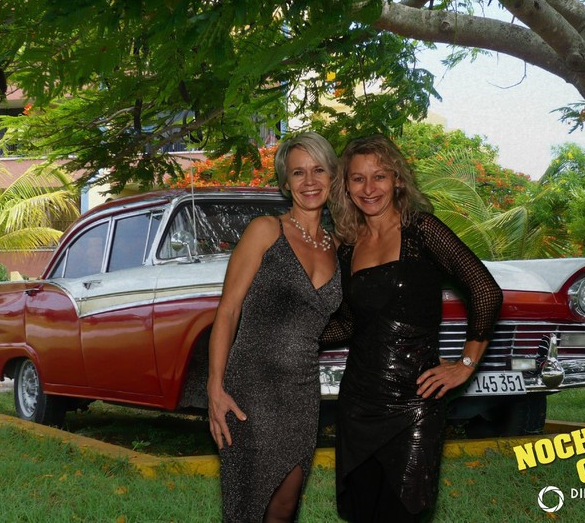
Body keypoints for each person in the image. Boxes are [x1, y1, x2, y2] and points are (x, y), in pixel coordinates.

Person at [324, 134, 503, 521]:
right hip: (358, 401)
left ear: (397, 180)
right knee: (362, 513)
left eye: (379, 176)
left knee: (406, 510)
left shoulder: (422, 230)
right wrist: (294, 337)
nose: (369, 189)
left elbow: (485, 291)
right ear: (345, 187)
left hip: (416, 400)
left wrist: (465, 365)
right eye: (358, 179)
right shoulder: (347, 247)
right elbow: (350, 324)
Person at [207, 132, 342, 522]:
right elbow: (228, 311)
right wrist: (215, 387)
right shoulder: (266, 230)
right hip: (252, 386)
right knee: (251, 503)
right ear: (285, 182)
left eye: (318, 170)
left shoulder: (339, 246)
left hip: (301, 391)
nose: (309, 181)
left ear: (332, 177)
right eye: (298, 172)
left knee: (285, 504)